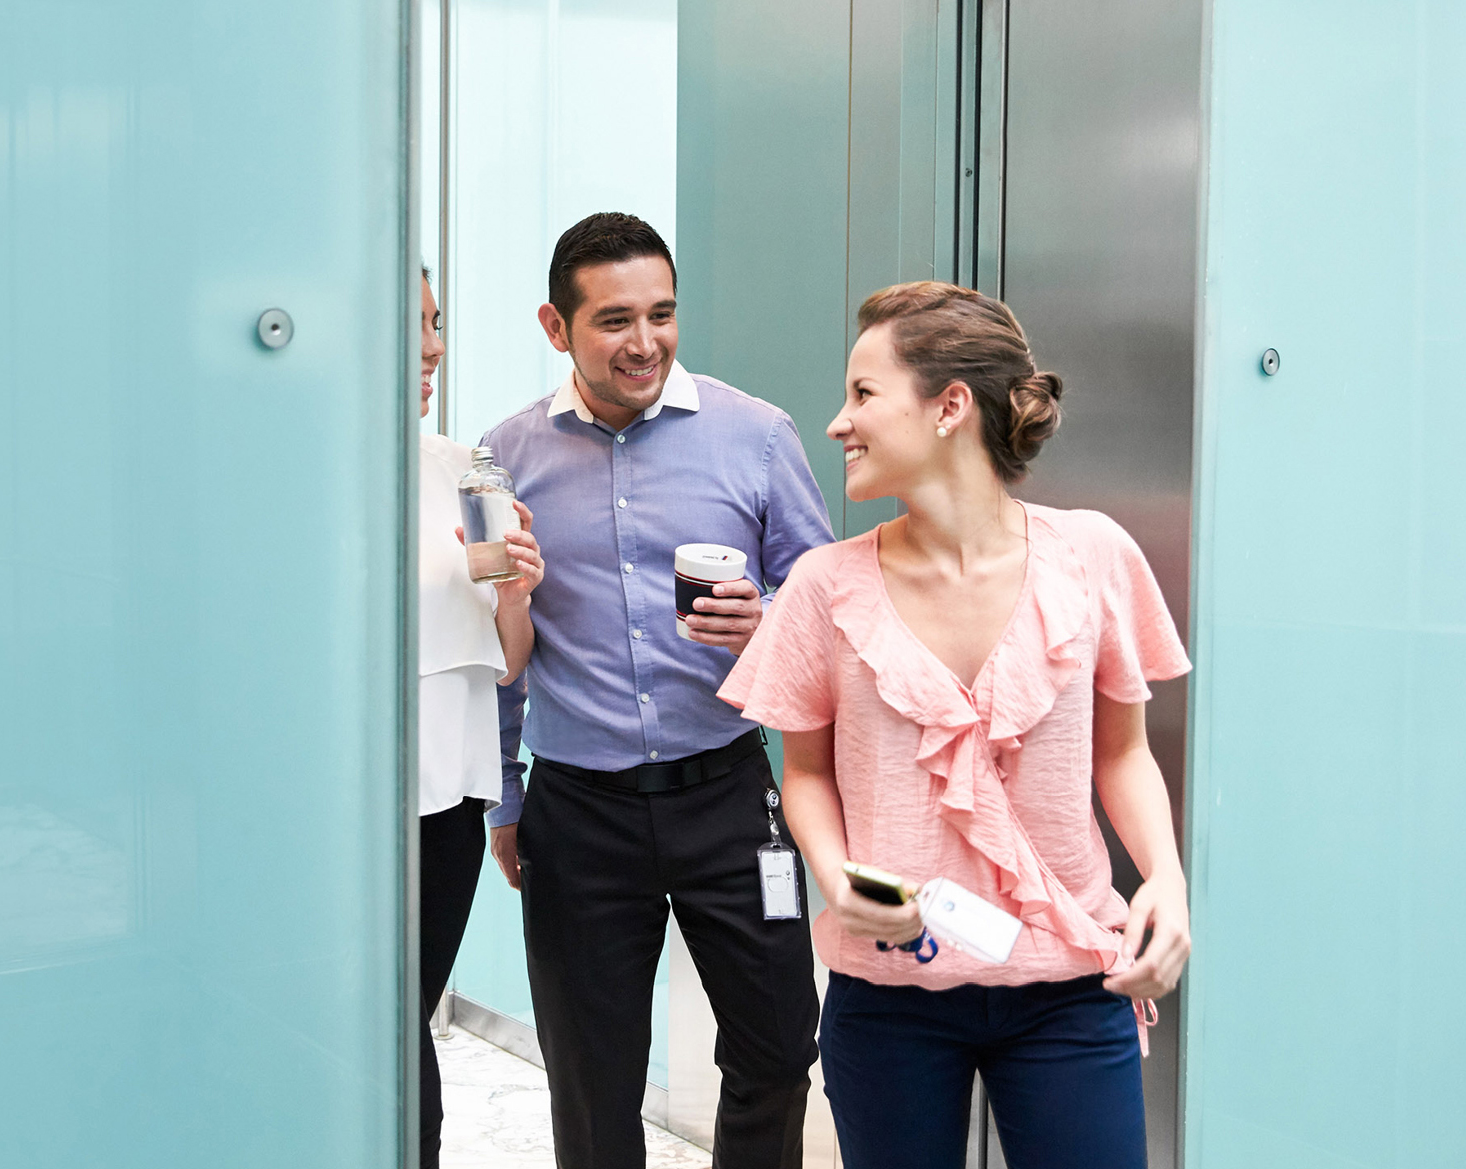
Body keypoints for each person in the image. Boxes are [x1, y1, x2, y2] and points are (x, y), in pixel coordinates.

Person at [718, 282, 1192, 1169]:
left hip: (1071, 982)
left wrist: (1164, 877)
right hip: (890, 990)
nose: (837, 423)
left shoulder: (1094, 554)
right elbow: (807, 772)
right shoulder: (824, 586)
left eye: (862, 394)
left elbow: (1120, 751)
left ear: (949, 407)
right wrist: (836, 876)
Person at [482, 213, 835, 1169]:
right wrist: (506, 799)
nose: (644, 342)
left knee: (775, 1046)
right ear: (557, 328)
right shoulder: (504, 455)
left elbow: (831, 604)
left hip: (729, 796)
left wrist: (765, 618)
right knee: (590, 1077)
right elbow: (496, 645)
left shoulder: (756, 435)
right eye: (613, 321)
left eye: (662, 314)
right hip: (577, 811)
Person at [416, 266, 545, 1169]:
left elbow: (510, 656)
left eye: (437, 322)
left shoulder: (461, 467)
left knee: (404, 1012)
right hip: (334, 800)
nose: (435, 347)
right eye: (414, 326)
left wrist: (516, 589)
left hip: (447, 798)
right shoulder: (287, 474)